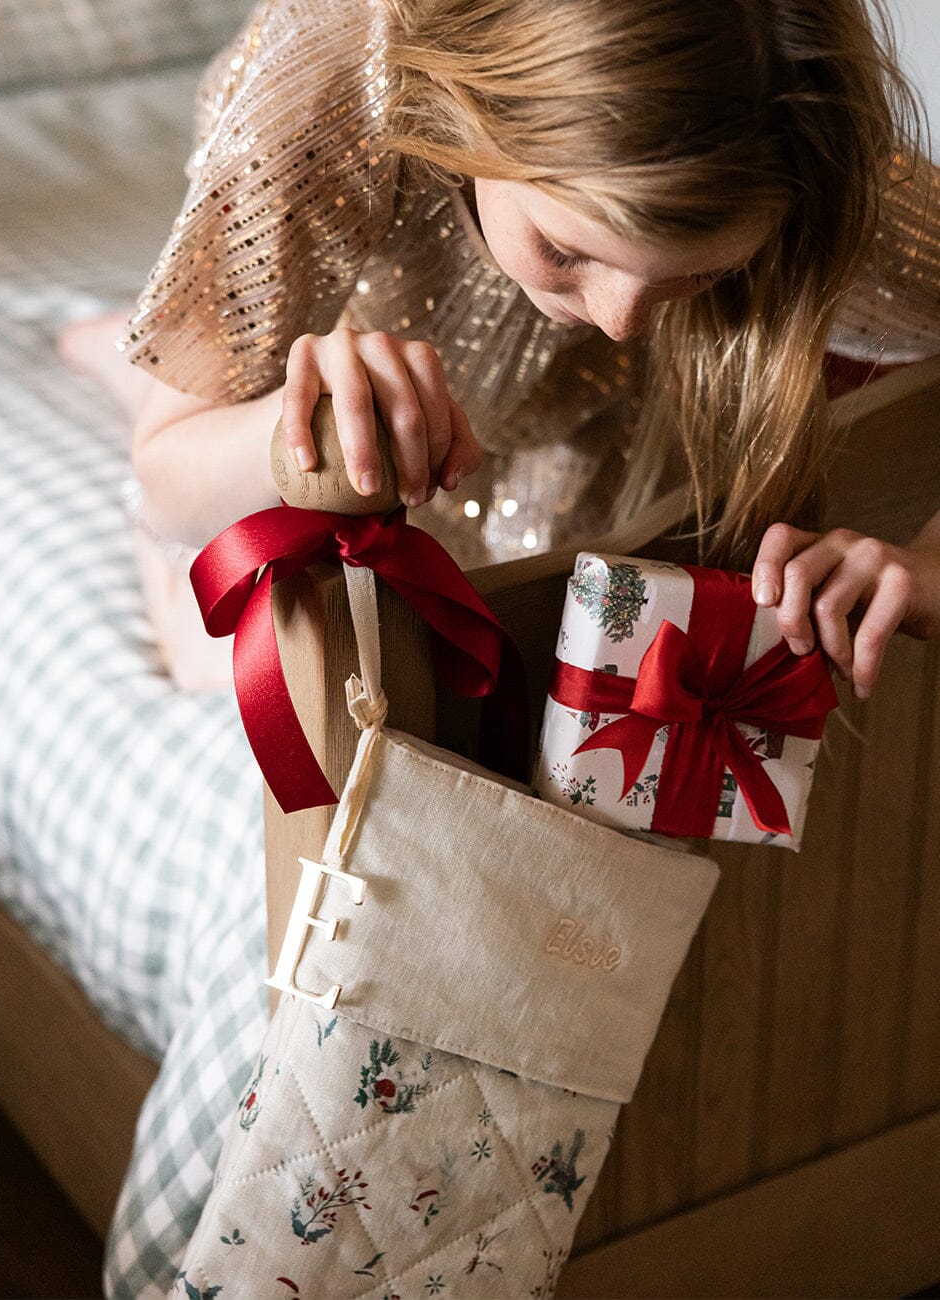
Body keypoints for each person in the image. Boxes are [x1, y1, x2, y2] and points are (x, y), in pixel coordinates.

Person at [63, 0, 940, 1293]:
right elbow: (170, 488)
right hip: (322, 393)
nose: (631, 319)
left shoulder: (791, 124)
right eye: (572, 251)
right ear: (469, 128)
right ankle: (120, 351)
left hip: (569, 446)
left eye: (695, 280)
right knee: (229, 652)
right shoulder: (330, 84)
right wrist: (295, 431)